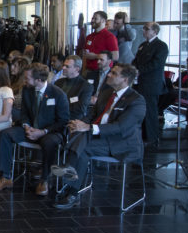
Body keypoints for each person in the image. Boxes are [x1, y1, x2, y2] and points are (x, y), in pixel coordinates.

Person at [51, 64, 145, 209]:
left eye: (114, 73)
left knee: (83, 147)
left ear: (125, 79)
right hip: (99, 136)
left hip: (121, 143)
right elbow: (93, 115)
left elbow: (121, 127)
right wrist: (80, 123)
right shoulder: (107, 93)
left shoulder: (136, 101)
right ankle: (69, 178)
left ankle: (72, 190)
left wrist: (88, 127)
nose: (108, 75)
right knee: (78, 136)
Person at [0, 63, 70, 195]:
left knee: (49, 142)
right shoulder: (27, 90)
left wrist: (43, 132)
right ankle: (6, 177)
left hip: (50, 131)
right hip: (30, 128)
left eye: (27, 78)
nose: (24, 81)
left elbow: (63, 121)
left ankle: (44, 179)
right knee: (5, 134)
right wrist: (27, 127)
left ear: (38, 80)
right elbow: (24, 113)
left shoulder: (58, 94)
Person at [132, 22, 169, 146]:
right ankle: (141, 135)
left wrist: (139, 70)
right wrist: (132, 69)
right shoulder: (143, 45)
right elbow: (136, 59)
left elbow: (156, 63)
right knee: (141, 109)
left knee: (150, 111)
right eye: (144, 29)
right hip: (140, 82)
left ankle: (151, 137)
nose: (144, 31)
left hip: (152, 83)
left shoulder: (161, 46)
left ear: (155, 31)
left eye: (147, 29)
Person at [55, 55, 93, 122]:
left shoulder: (86, 86)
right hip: (54, 118)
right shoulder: (58, 83)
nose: (63, 68)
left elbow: (80, 109)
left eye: (67, 66)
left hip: (71, 120)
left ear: (77, 69)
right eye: (64, 65)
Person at [83, 10, 119, 79]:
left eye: (95, 19)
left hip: (101, 73)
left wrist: (95, 56)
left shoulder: (109, 37)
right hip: (88, 72)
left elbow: (115, 56)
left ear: (103, 21)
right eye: (92, 18)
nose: (92, 20)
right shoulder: (89, 37)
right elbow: (85, 56)